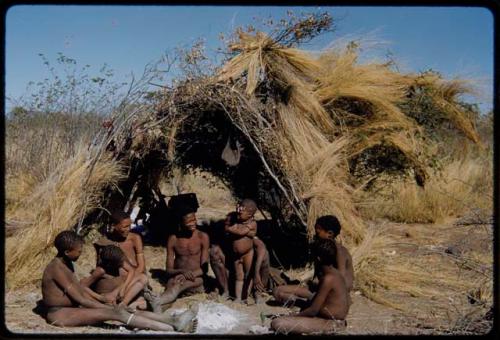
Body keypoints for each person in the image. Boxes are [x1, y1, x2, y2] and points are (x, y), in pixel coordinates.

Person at [41, 230, 197, 332]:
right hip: (60, 314)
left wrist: (104, 301)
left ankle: (172, 320)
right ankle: (171, 327)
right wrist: (104, 304)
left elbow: (80, 290)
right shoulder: (57, 269)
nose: (81, 254)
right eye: (79, 251)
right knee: (117, 313)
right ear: (68, 252)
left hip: (72, 308)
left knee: (122, 310)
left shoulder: (66, 263)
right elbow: (80, 297)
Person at [271, 238, 349, 334]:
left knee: (278, 323)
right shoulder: (333, 273)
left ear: (318, 258)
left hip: (332, 322)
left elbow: (313, 310)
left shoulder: (328, 279)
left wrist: (292, 317)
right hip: (326, 316)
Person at [273, 215, 354, 306]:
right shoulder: (319, 249)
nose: (315, 234)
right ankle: (310, 303)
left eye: (318, 232)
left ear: (330, 233)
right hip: (321, 289)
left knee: (282, 294)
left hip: (335, 293)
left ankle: (312, 304)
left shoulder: (340, 252)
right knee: (277, 291)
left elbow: (341, 281)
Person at [150, 205, 209, 312]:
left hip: (196, 278)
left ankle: (156, 301)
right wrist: (182, 272)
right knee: (172, 286)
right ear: (180, 223)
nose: (193, 223)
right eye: (189, 221)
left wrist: (188, 275)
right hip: (177, 276)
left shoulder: (202, 237)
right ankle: (158, 311)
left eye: (194, 219)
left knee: (177, 286)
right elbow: (168, 270)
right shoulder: (173, 239)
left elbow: (204, 269)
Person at [81, 245, 148, 310]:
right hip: (108, 296)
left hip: (117, 292)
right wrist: (100, 298)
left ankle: (123, 304)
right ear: (111, 264)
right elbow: (82, 285)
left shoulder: (118, 262)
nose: (122, 264)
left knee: (142, 277)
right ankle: (124, 305)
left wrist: (123, 288)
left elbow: (131, 271)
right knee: (142, 279)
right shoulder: (100, 271)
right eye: (120, 262)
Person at [225, 199, 258, 303]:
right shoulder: (238, 222)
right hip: (236, 255)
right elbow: (232, 229)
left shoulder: (252, 223)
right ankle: (238, 298)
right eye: (238, 210)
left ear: (249, 214)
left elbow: (240, 232)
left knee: (249, 275)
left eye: (241, 212)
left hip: (248, 254)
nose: (238, 213)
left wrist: (231, 229)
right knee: (239, 276)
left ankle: (246, 296)